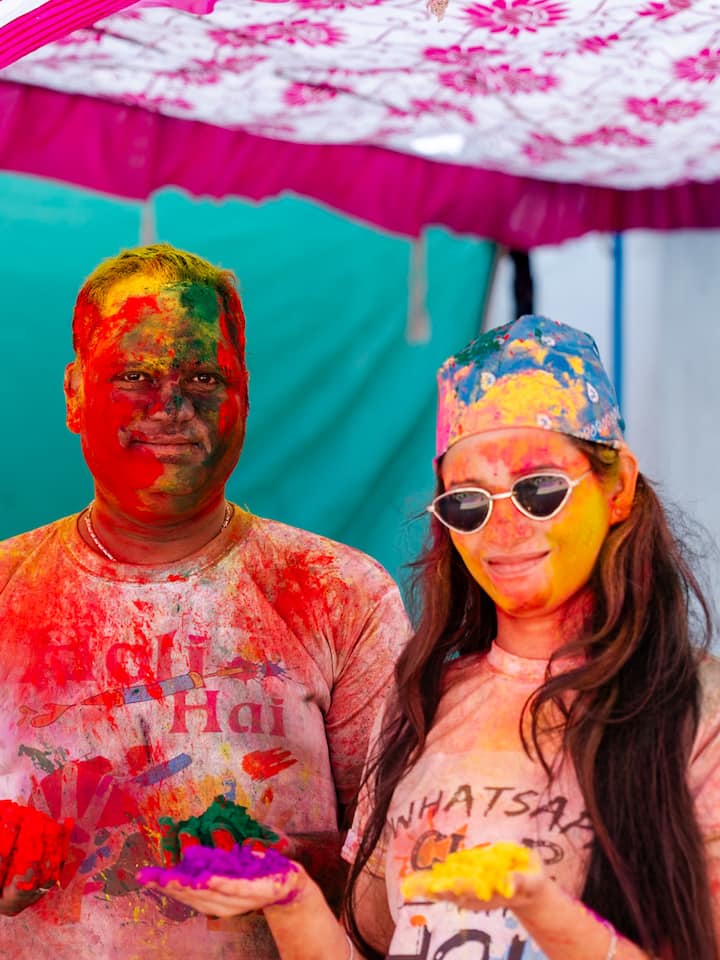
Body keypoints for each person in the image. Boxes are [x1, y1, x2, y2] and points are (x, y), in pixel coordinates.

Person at [159, 314, 720, 960]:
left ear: (617, 487)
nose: (503, 530)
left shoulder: (699, 710)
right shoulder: (419, 703)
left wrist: (538, 906)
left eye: (538, 491)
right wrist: (290, 898)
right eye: (468, 503)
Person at [0, 242, 409, 958]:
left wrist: (284, 869)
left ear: (244, 394)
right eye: (134, 376)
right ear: (74, 394)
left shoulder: (338, 593)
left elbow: (401, 882)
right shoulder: (7, 591)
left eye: (202, 376)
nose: (171, 406)